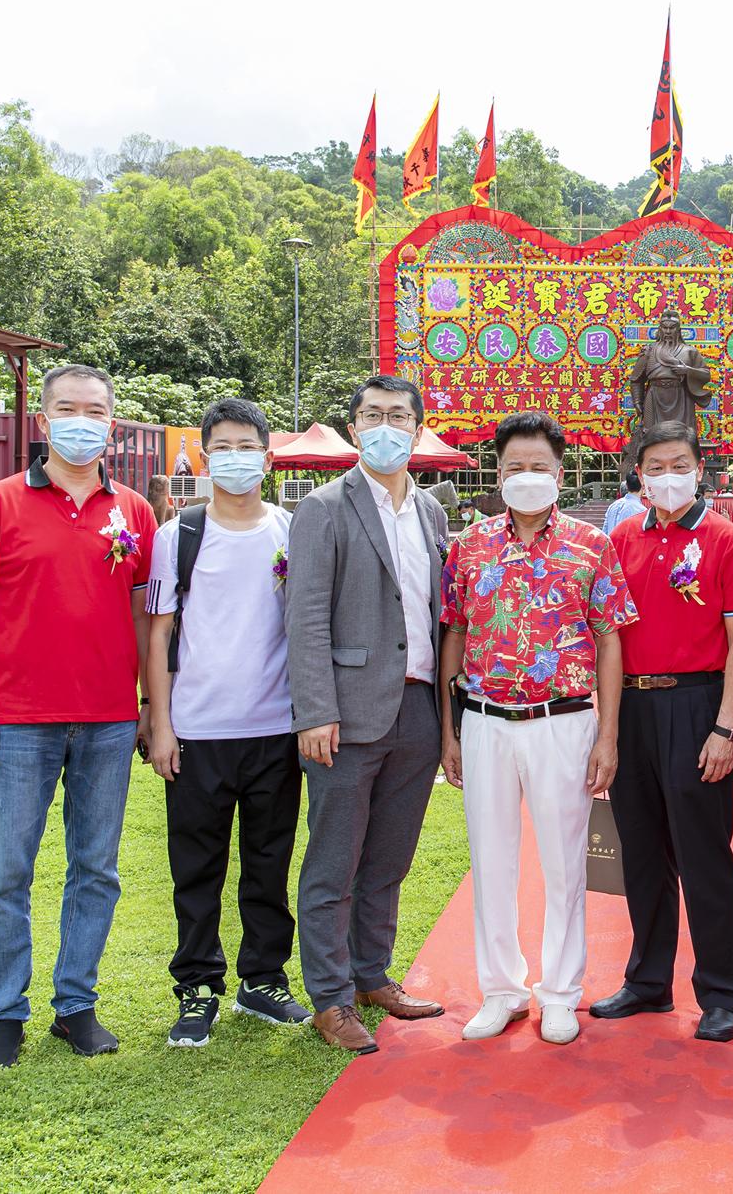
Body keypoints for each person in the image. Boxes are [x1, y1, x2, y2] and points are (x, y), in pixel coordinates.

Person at [0, 363, 158, 1073]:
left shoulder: (135, 511)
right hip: (19, 722)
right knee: (7, 873)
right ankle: (4, 1015)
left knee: (95, 869)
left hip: (108, 720)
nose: (81, 422)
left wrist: (149, 707)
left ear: (111, 424)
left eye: (95, 411)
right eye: (67, 409)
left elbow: (144, 617)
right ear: (42, 421)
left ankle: (76, 1007)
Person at [439, 411, 636, 1046]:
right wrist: (449, 731)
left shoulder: (590, 544)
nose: (527, 476)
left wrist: (607, 735)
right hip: (486, 721)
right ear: (498, 473)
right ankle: (501, 989)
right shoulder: (470, 545)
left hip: (564, 722)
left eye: (539, 466)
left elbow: (610, 638)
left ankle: (560, 993)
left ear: (560, 471)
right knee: (490, 859)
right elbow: (454, 633)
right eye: (515, 466)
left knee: (564, 863)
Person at [285, 376, 451, 1054]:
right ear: (354, 428)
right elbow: (305, 617)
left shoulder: (432, 511)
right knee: (334, 862)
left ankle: (371, 975)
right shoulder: (323, 507)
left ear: (417, 429)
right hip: (345, 714)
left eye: (399, 416)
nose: (386, 427)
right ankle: (329, 998)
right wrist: (315, 711)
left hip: (417, 706)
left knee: (389, 857)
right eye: (373, 415)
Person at [143, 398, 308, 1048]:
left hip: (274, 730)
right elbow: (159, 633)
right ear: (206, 459)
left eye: (248, 447)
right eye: (223, 448)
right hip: (196, 734)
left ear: (267, 459)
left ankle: (263, 979)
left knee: (269, 863)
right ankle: (197, 986)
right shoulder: (178, 535)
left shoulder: (291, 530)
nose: (235, 458)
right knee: (196, 868)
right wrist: (161, 724)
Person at [594, 421, 733, 1041]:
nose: (669, 477)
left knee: (704, 853)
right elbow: (607, 635)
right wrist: (607, 728)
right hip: (632, 705)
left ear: (699, 469)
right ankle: (647, 981)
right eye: (656, 467)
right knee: (641, 851)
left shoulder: (726, 541)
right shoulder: (620, 540)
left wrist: (726, 728)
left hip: (697, 705)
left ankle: (721, 992)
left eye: (680, 465)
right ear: (639, 474)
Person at [602, 469, 647, 536]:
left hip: (611, 542)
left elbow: (604, 534)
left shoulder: (613, 506)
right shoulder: (642, 511)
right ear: (643, 485)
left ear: (626, 485)